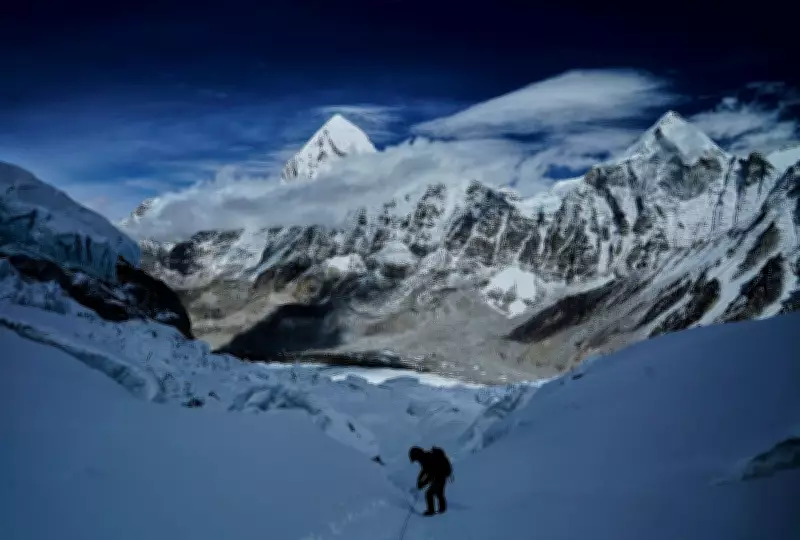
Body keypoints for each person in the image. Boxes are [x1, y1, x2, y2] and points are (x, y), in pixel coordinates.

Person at [408, 446, 452, 516]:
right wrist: (421, 481)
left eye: (415, 459)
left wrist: (423, 482)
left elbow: (429, 472)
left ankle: (433, 511)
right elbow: (425, 471)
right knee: (438, 493)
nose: (416, 461)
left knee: (431, 493)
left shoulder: (425, 459)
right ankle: (441, 510)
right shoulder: (426, 457)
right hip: (440, 476)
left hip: (439, 477)